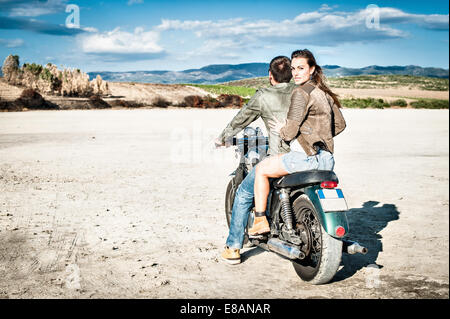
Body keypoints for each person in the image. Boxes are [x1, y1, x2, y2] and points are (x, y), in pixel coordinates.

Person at [248, 49, 346, 236]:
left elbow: (290, 131)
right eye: (293, 69)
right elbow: (340, 125)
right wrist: (318, 134)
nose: (295, 73)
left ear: (312, 69)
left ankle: (260, 221)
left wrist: (282, 130)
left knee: (261, 170)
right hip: (327, 159)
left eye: (301, 68)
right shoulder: (323, 92)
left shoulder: (301, 93)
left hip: (307, 159)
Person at [215, 56, 295, 265]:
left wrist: (223, 139)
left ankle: (233, 248)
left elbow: (242, 118)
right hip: (309, 158)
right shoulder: (302, 92)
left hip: (280, 157)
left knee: (243, 194)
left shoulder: (264, 95)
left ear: (270, 75)